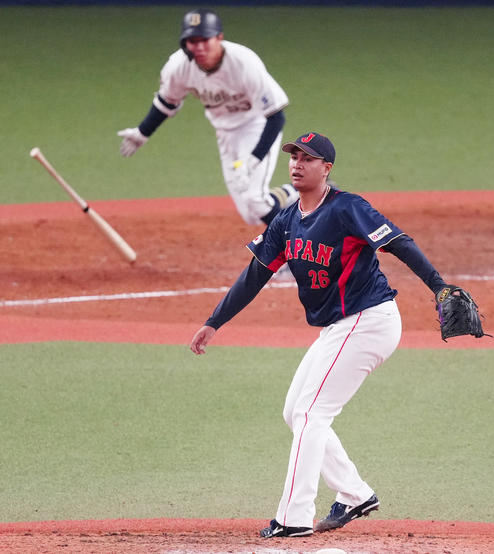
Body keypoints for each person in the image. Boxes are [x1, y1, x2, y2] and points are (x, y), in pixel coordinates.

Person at [190, 131, 458, 538]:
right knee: (295, 411)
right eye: (294, 156)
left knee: (312, 414)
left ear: (326, 168)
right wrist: (214, 321)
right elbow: (255, 275)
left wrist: (439, 286)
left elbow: (398, 243)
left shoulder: (348, 208)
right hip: (340, 327)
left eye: (307, 158)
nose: (297, 163)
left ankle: (293, 517)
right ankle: (354, 493)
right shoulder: (287, 219)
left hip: (369, 320)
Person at [117, 8, 298, 227]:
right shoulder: (179, 66)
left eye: (205, 39)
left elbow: (276, 116)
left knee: (255, 200)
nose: (199, 46)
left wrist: (252, 160)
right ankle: (297, 190)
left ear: (219, 38)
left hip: (256, 125)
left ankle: (296, 250)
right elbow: (167, 101)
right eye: (192, 41)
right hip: (225, 133)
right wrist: (142, 133)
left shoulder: (244, 63)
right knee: (251, 215)